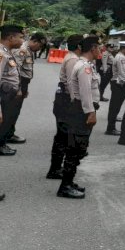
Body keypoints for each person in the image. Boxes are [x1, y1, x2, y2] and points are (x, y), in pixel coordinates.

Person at [58, 36, 101, 199]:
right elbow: (85, 92)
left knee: (77, 147)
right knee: (76, 148)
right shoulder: (84, 67)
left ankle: (69, 182)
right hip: (82, 111)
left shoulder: (84, 64)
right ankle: (65, 186)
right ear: (93, 48)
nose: (100, 52)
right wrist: (90, 112)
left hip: (79, 109)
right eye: (99, 48)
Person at [48, 35, 83, 177]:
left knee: (62, 135)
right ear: (80, 46)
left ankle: (55, 168)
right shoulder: (73, 59)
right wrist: (75, 102)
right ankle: (55, 169)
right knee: (63, 135)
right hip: (66, 100)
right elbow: (71, 83)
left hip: (63, 98)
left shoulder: (71, 57)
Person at [8, 31, 47, 144]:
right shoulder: (22, 50)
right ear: (34, 41)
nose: (39, 49)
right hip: (17, 84)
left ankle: (9, 133)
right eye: (39, 46)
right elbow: (16, 70)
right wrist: (19, 88)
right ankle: (4, 138)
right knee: (11, 112)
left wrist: (25, 88)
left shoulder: (28, 50)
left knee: (15, 112)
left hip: (22, 83)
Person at [0, 25, 23, 156]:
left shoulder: (7, 52)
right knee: (3, 120)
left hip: (9, 94)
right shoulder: (2, 54)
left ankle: (2, 143)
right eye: (20, 37)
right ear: (10, 37)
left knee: (7, 120)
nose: (22, 41)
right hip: (3, 94)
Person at [105, 44, 125, 135]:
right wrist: (124, 84)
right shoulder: (121, 57)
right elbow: (122, 73)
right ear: (124, 49)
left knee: (114, 107)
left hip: (117, 83)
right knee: (115, 107)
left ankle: (111, 127)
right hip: (118, 84)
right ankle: (110, 128)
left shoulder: (120, 56)